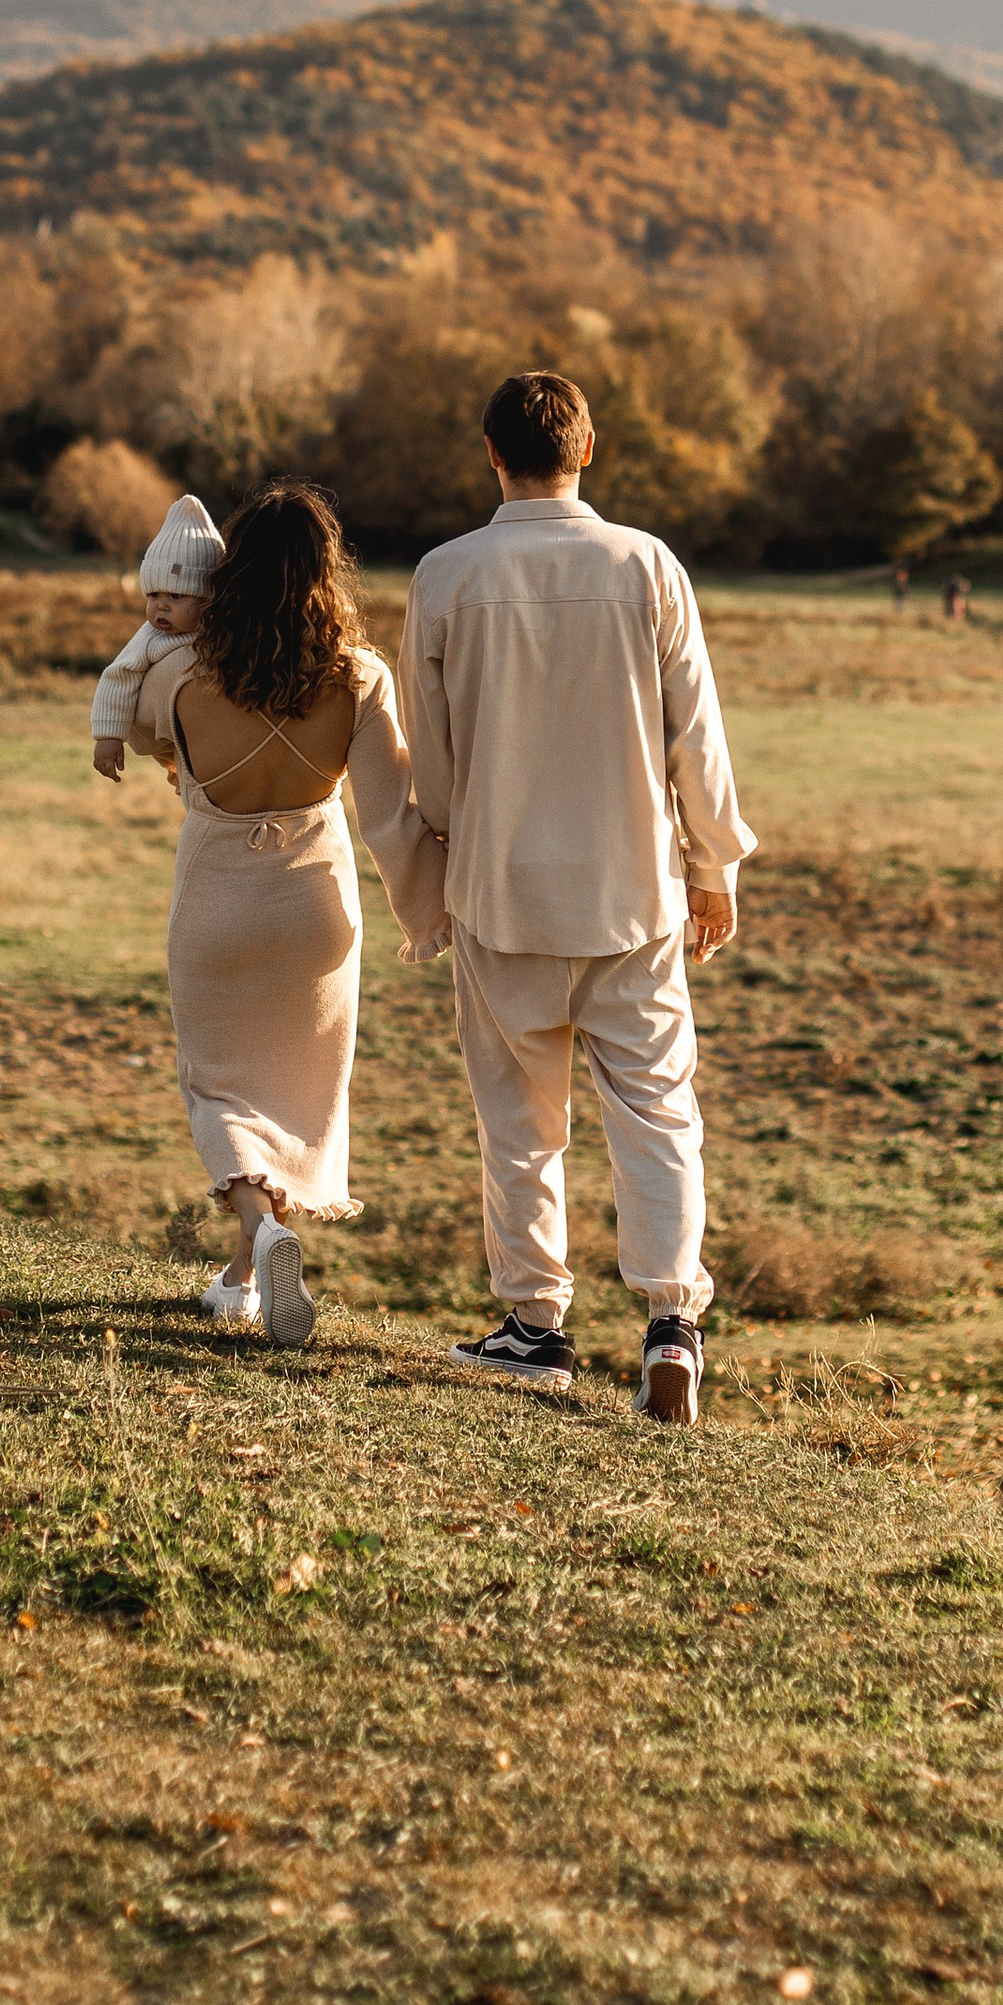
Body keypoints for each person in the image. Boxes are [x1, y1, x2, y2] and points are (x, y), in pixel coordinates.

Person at [399, 369, 756, 1428]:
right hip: (633, 893)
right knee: (655, 1112)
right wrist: (712, 864)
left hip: (499, 894)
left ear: (491, 455)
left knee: (519, 1123)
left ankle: (534, 1325)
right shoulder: (647, 566)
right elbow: (696, 732)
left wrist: (451, 859)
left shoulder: (446, 575)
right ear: (586, 450)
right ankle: (669, 1321)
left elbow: (433, 759)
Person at [131, 486, 448, 1348]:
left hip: (215, 899)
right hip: (316, 903)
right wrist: (427, 912)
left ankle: (259, 1242)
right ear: (325, 576)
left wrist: (180, 765)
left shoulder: (179, 671)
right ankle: (246, 1269)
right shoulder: (359, 676)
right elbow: (390, 818)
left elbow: (141, 733)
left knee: (218, 1084)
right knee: (300, 1090)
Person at [90, 495, 223, 780]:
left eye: (176, 596)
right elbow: (118, 677)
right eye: (153, 595)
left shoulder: (223, 631)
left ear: (208, 598)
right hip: (172, 744)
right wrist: (108, 737)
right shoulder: (150, 638)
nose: (162, 606)